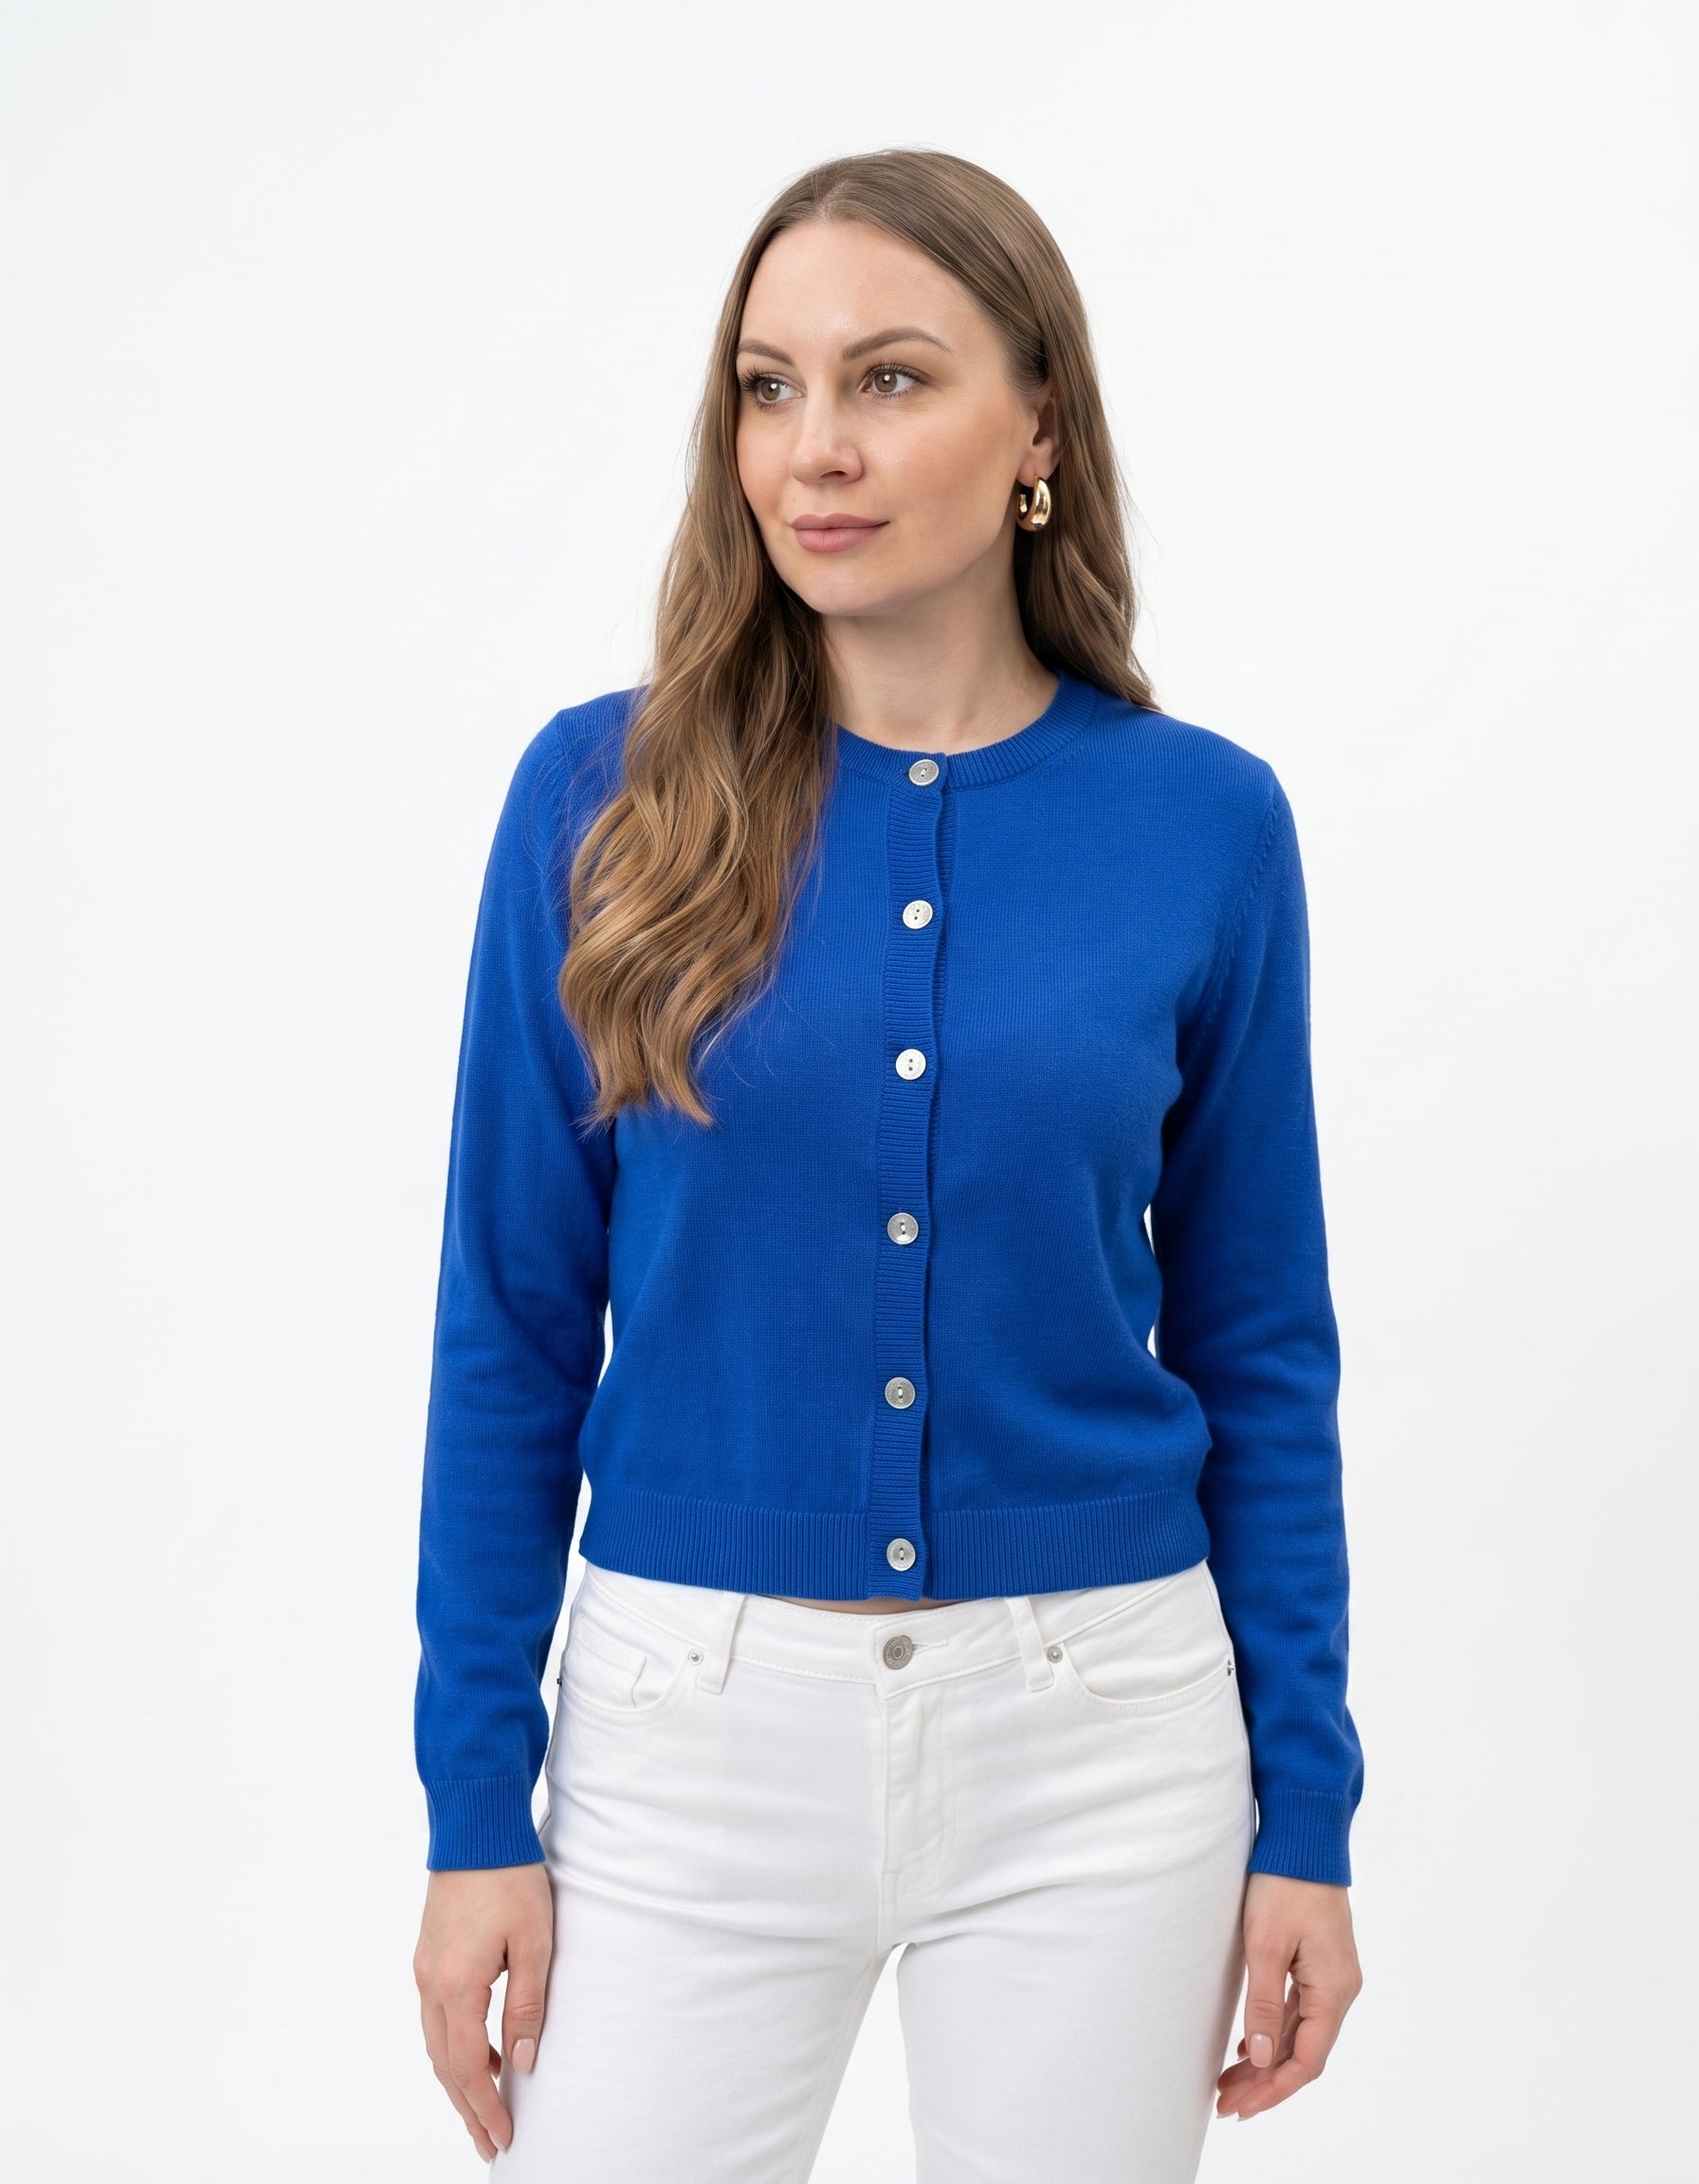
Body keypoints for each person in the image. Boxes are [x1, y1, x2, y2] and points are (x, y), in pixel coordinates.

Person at [411, 147, 1364, 2181]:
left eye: (890, 378)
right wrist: (473, 1806)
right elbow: (508, 1330)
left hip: (1103, 1735)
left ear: (1040, 426)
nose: (813, 448)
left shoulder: (1204, 824)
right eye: (769, 387)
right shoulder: (602, 797)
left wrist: (1308, 1813)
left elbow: (1261, 1347)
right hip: (685, 1733)